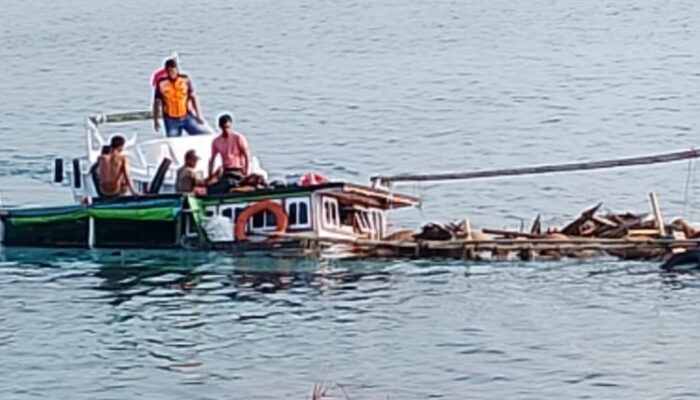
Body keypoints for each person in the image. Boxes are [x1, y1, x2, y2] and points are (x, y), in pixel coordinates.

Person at [152, 58, 208, 137]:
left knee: (204, 135)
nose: (171, 73)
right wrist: (155, 120)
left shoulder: (184, 79)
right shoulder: (161, 83)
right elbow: (156, 103)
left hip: (187, 116)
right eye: (169, 71)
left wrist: (198, 115)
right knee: (173, 140)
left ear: (177, 69)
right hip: (171, 120)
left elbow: (193, 97)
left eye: (173, 70)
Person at [207, 114, 252, 194]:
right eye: (224, 128)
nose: (226, 130)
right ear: (220, 127)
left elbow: (246, 155)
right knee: (214, 188)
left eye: (228, 127)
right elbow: (212, 159)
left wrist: (246, 171)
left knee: (230, 184)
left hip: (238, 170)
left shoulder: (238, 138)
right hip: (226, 171)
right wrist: (210, 176)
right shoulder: (216, 141)